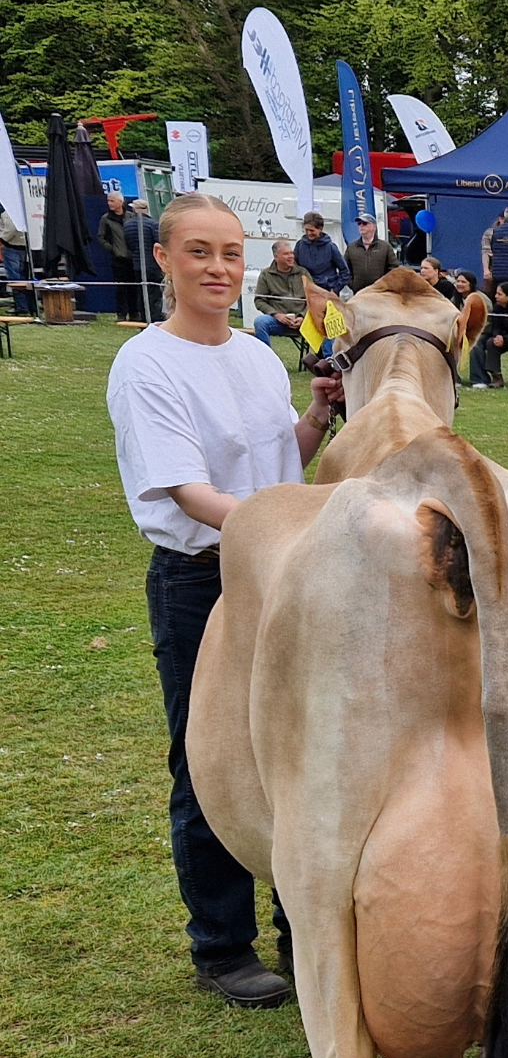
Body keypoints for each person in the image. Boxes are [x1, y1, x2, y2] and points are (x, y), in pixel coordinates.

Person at [104, 193, 344, 1005]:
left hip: (279, 568)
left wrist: (313, 417)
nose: (218, 268)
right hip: (202, 578)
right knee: (210, 755)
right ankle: (221, 945)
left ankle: (298, 921)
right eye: (200, 252)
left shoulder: (250, 354)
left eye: (231, 254)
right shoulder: (146, 363)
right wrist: (278, 530)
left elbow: (284, 463)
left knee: (292, 750)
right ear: (165, 259)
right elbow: (186, 489)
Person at [251, 239, 309, 347]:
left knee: (326, 323)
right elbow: (259, 300)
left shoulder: (303, 273)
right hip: (278, 321)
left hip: (303, 321)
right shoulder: (266, 275)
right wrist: (277, 315)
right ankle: (265, 358)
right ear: (276, 257)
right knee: (260, 322)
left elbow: (313, 299)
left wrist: (302, 316)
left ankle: (328, 360)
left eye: (291, 253)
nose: (291, 256)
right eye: (286, 254)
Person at [99, 188, 142, 321]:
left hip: (132, 258)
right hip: (118, 259)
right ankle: (121, 314)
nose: (109, 204)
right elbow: (101, 237)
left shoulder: (131, 216)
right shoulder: (106, 219)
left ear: (120, 202)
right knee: (121, 288)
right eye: (108, 201)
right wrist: (112, 249)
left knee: (134, 287)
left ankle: (135, 313)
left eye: (112, 201)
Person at [293, 211, 350, 295]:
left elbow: (345, 271)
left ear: (320, 229)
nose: (309, 233)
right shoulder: (300, 245)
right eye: (306, 230)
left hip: (326, 292)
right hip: (306, 292)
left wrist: (335, 290)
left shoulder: (331, 247)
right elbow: (294, 267)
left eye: (312, 230)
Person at [452, 271, 491, 387]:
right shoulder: (455, 299)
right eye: (458, 281)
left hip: (482, 332)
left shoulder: (481, 299)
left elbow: (487, 321)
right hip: (461, 332)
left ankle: (479, 379)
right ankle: (454, 378)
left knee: (475, 345)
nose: (459, 284)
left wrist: (470, 333)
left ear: (471, 284)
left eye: (463, 282)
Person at [344, 212, 400, 292]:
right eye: (359, 223)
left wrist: (384, 285)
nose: (361, 226)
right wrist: (352, 284)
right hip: (358, 293)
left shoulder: (385, 246)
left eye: (365, 223)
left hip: (379, 292)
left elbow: (394, 268)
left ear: (374, 227)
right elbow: (345, 268)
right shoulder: (351, 247)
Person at [0, 201, 28, 314]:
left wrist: (1, 240)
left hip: (12, 246)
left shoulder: (6, 209)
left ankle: (21, 307)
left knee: (15, 279)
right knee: (24, 278)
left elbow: (11, 228)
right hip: (23, 245)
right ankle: (28, 306)